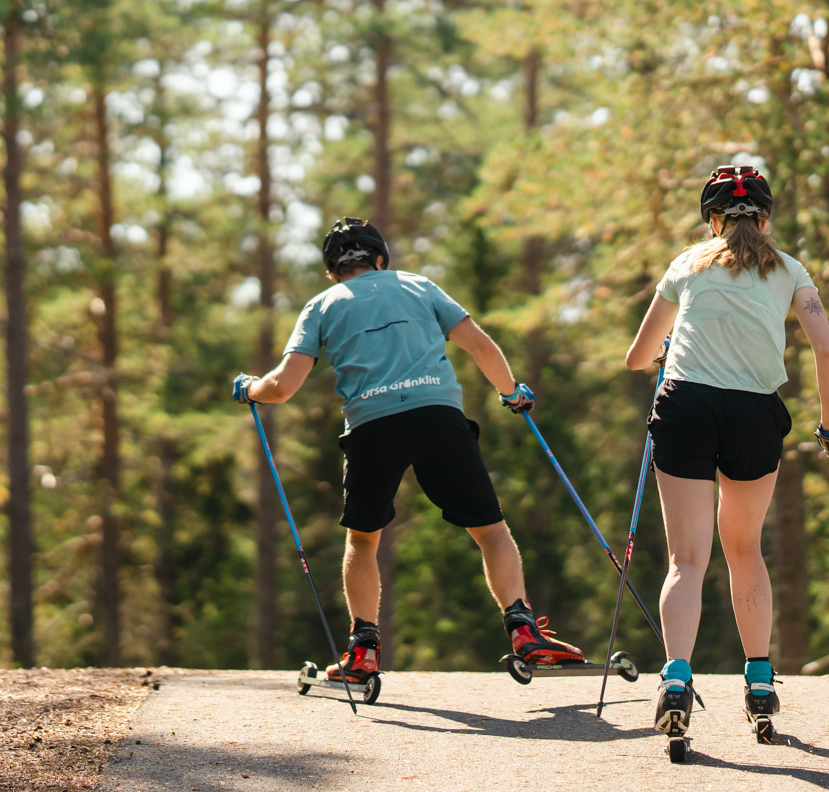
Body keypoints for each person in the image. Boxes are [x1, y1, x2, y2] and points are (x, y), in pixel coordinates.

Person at [234, 217, 587, 689]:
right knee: (490, 529)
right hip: (437, 417)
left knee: (363, 539)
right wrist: (511, 393)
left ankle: (363, 651)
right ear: (380, 257)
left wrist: (248, 389)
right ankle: (522, 628)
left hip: (370, 428)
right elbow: (480, 345)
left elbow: (281, 388)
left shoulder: (320, 306)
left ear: (333, 269)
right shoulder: (418, 285)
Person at [622, 166, 829, 744]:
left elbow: (637, 357)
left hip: (686, 406)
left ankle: (675, 680)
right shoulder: (791, 270)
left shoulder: (687, 264)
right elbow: (827, 349)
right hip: (754, 413)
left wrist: (670, 347)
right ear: (765, 218)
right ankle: (760, 680)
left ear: (711, 219)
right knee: (744, 549)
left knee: (685, 559)